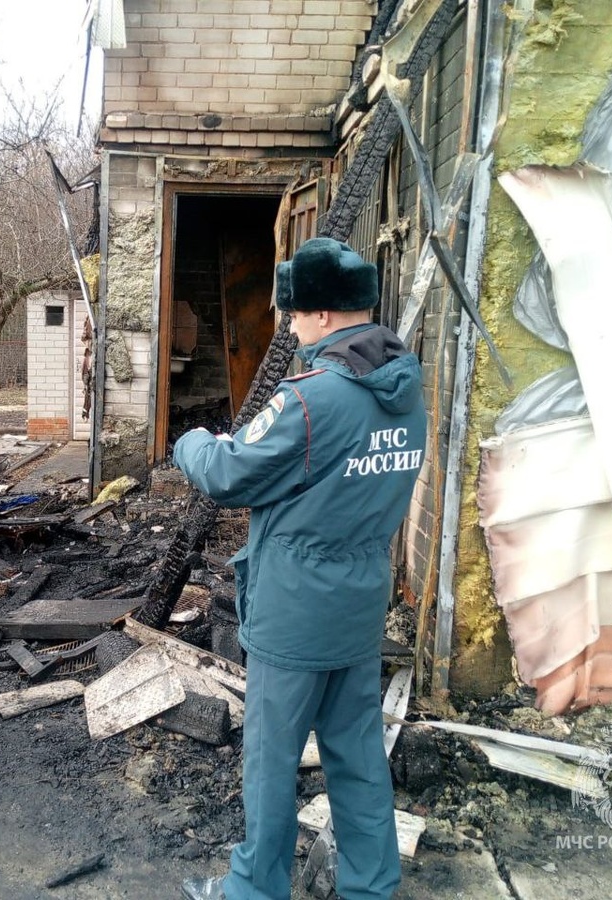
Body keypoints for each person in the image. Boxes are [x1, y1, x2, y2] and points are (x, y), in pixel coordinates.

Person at [174, 238, 426, 900]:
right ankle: (371, 886)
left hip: (295, 610)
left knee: (271, 760)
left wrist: (193, 441)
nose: (288, 327)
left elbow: (229, 473)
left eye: (292, 314)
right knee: (358, 754)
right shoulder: (405, 391)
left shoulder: (313, 399)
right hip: (359, 602)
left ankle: (254, 889)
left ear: (320, 314)